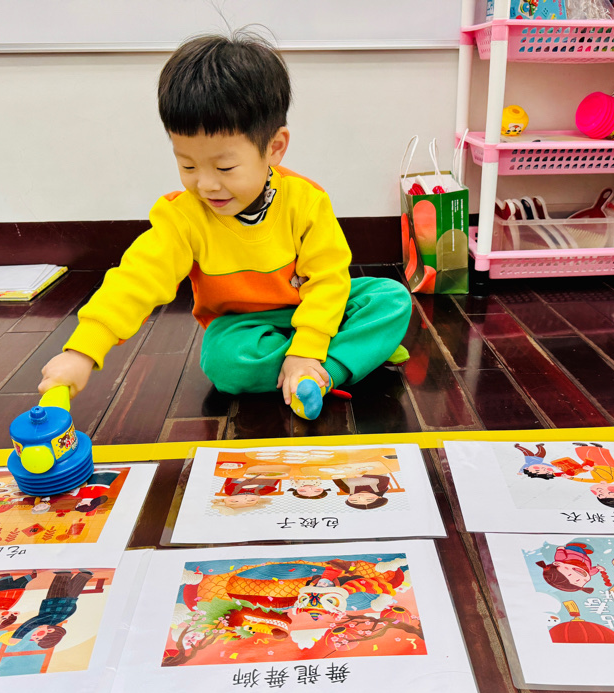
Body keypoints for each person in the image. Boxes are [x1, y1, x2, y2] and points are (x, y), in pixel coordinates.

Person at [37, 31, 412, 421]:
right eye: (187, 165)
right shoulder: (182, 217)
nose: (206, 184)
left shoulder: (306, 200)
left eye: (225, 167)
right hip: (243, 327)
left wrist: (307, 346)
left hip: (312, 309)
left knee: (390, 299)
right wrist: (82, 351)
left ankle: (315, 370)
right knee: (223, 362)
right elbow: (135, 280)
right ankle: (341, 363)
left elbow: (329, 280)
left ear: (275, 147)